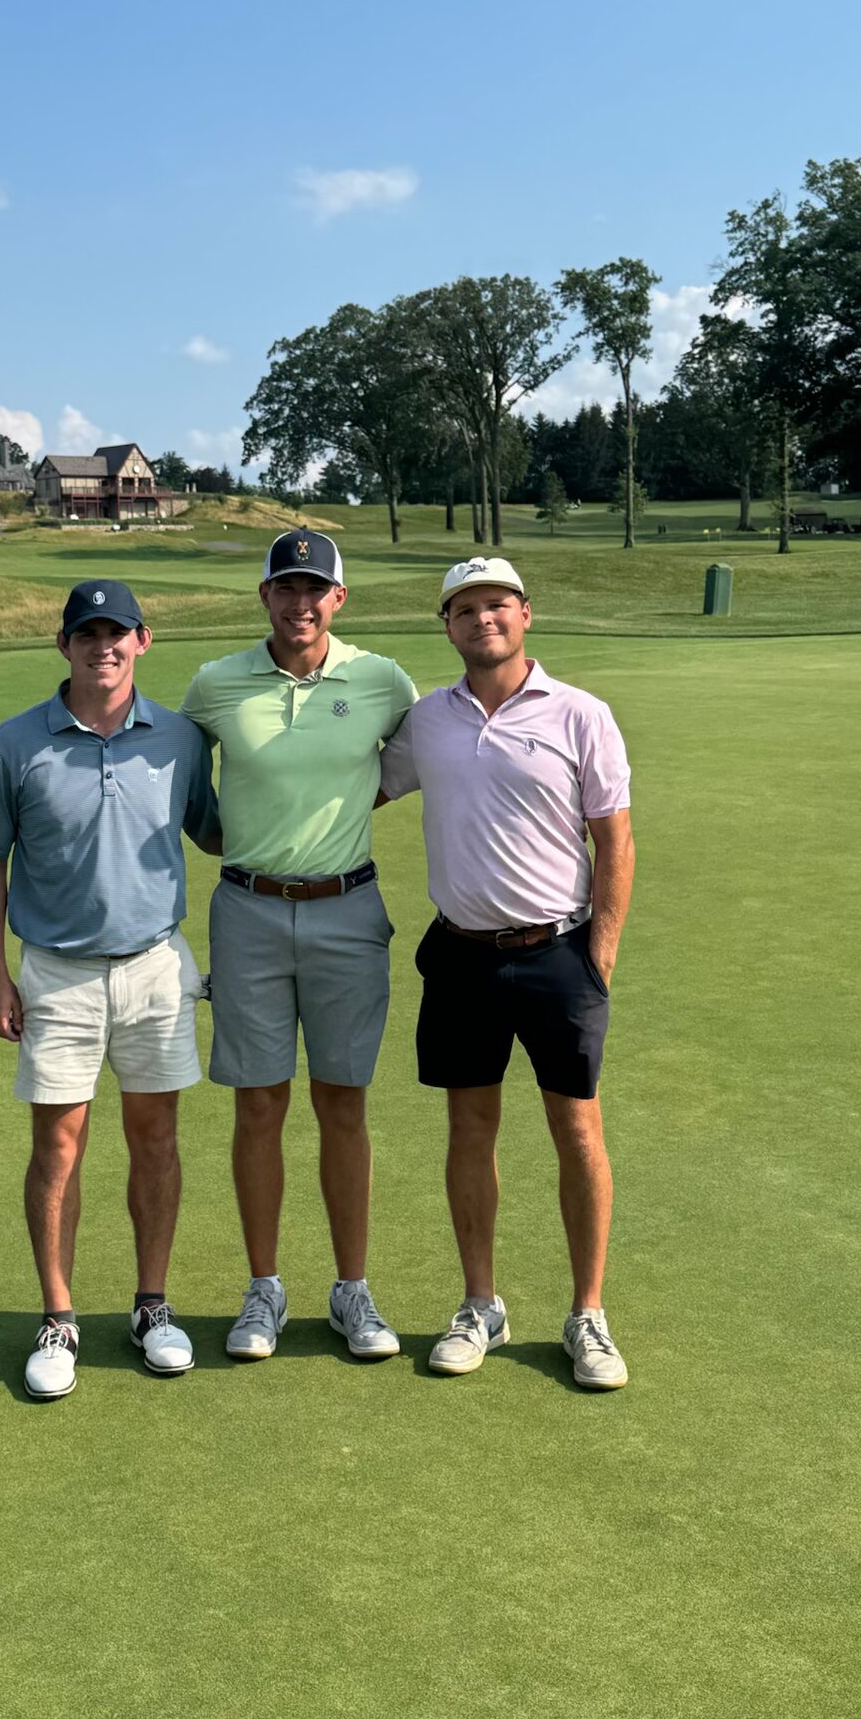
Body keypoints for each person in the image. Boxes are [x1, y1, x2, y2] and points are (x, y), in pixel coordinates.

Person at [378, 556, 635, 1390]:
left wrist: (599, 951)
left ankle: (588, 1315)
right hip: (460, 954)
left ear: (526, 614)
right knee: (470, 1130)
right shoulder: (428, 721)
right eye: (464, 609)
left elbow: (615, 838)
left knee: (578, 1132)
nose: (481, 620)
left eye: (496, 605)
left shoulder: (582, 715)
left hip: (559, 951)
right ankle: (480, 1303)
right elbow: (356, 788)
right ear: (446, 626)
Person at [0, 579, 221, 1400]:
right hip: (59, 975)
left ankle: (151, 1307)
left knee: (156, 1141)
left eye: (118, 633)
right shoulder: (15, 743)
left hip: (154, 968)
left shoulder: (180, 738)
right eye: (86, 634)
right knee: (58, 1149)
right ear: (63, 645)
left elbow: (216, 829)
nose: (102, 646)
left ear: (143, 641)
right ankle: (60, 1319)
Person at [181, 529, 418, 1361]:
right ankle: (264, 1290)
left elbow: (414, 762)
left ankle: (353, 1290)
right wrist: (228, 836)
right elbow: (181, 781)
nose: (300, 603)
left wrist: (346, 811)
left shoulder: (382, 680)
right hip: (246, 911)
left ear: (339, 599)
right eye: (286, 587)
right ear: (265, 597)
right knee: (259, 1103)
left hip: (348, 912)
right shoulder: (216, 684)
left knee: (343, 1101)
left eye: (316, 588)